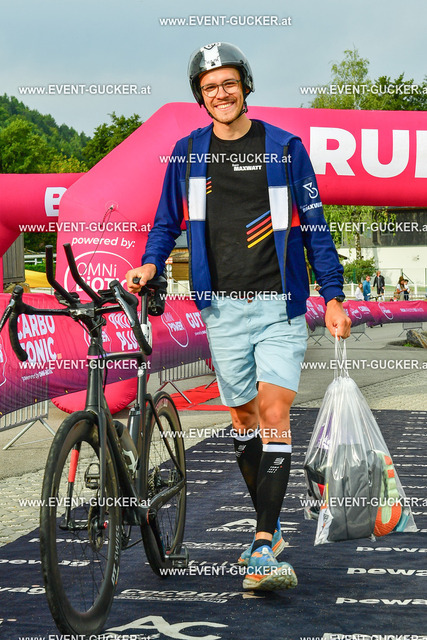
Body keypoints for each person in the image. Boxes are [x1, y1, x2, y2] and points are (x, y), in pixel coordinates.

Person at [126, 42, 351, 591]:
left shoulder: (284, 148)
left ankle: (262, 541)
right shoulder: (187, 153)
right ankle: (271, 528)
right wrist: (151, 263)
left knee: (274, 413)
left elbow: (315, 225)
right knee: (244, 420)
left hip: (279, 306)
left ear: (245, 86)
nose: (220, 93)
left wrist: (333, 294)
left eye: (228, 83)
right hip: (221, 308)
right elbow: (166, 222)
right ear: (200, 97)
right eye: (210, 88)